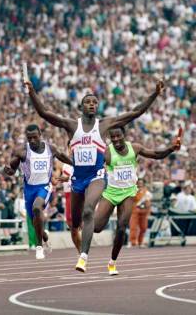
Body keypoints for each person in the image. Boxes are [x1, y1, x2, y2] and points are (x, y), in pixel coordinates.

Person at [25, 77, 165, 272]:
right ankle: (78, 245)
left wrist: (155, 94)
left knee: (89, 210)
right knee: (75, 224)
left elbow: (135, 112)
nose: (92, 105)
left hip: (97, 176)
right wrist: (32, 91)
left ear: (97, 107)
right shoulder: (72, 126)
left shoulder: (105, 125)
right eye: (88, 102)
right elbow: (44, 113)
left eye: (94, 102)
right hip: (77, 180)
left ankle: (83, 258)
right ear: (81, 107)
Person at [93, 126, 181, 275]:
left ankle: (112, 263)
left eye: (118, 136)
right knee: (96, 227)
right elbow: (92, 166)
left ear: (124, 136)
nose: (115, 140)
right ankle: (96, 219)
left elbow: (156, 154)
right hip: (111, 192)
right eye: (112, 137)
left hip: (128, 192)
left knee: (121, 227)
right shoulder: (107, 152)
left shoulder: (135, 148)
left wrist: (171, 149)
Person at [3, 124, 72, 260]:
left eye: (35, 137)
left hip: (44, 187)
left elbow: (62, 155)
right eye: (30, 138)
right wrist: (8, 171)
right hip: (29, 189)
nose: (33, 141)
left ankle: (38, 247)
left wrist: (75, 165)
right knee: (35, 221)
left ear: (40, 135)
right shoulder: (22, 152)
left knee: (37, 208)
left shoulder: (49, 148)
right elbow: (12, 170)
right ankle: (44, 236)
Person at [129, 178, 151, 248]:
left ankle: (140, 242)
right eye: (139, 183)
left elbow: (148, 202)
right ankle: (132, 242)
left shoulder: (146, 192)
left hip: (144, 212)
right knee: (133, 227)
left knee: (143, 228)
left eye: (141, 183)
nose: (140, 184)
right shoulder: (133, 191)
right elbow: (131, 200)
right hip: (135, 211)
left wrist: (147, 207)